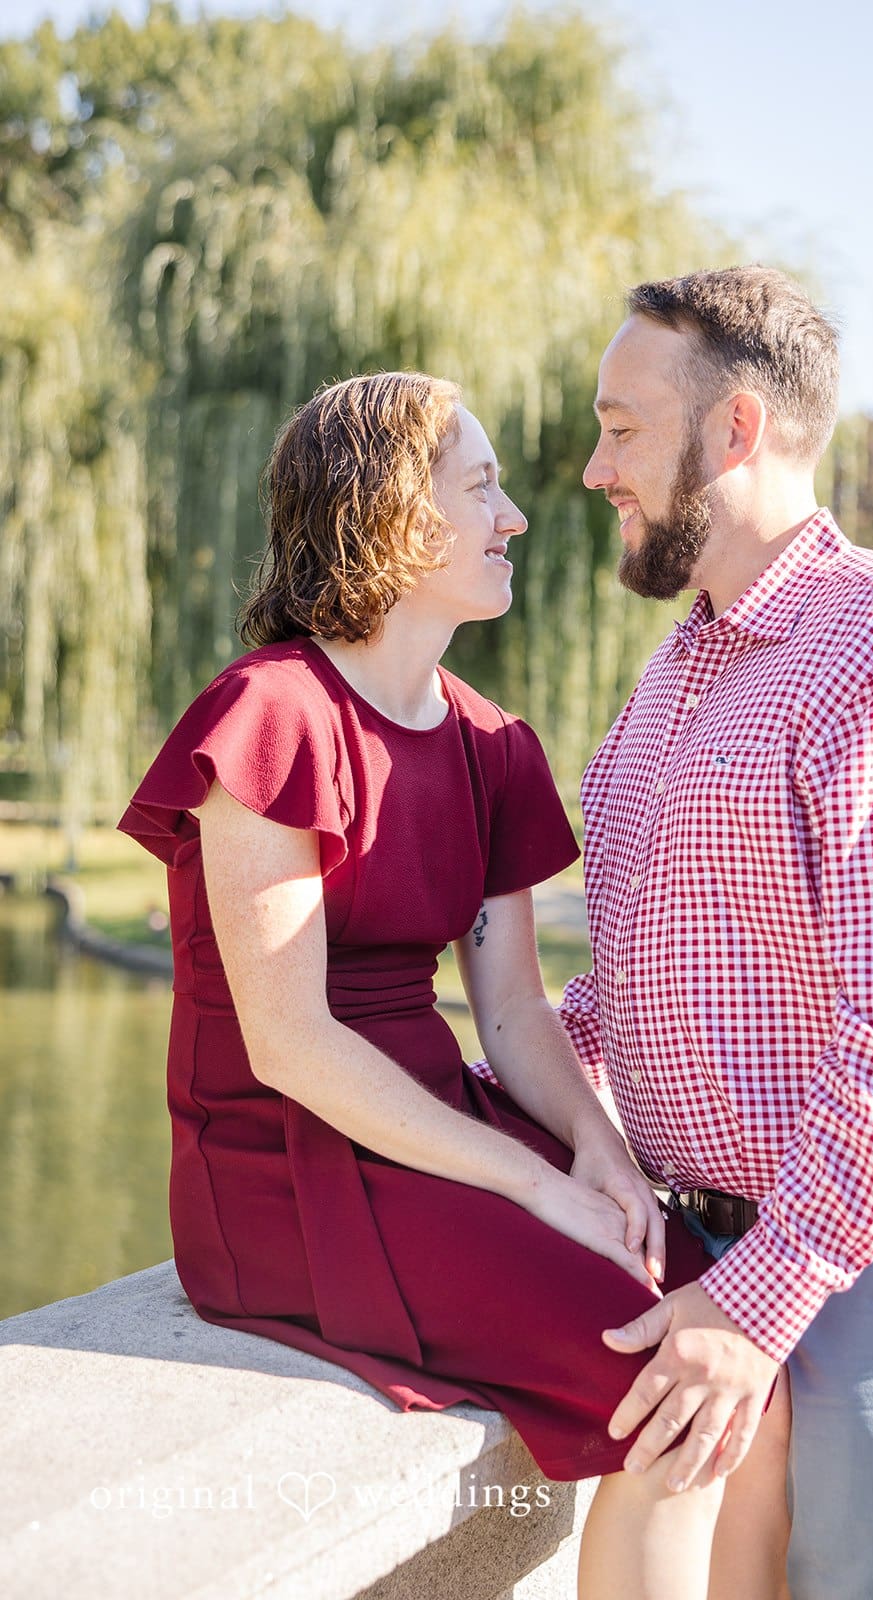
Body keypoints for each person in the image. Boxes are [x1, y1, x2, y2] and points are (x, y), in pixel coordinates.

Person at [117, 371, 791, 1600]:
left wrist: (601, 1158)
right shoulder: (269, 714)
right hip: (288, 1160)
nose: (515, 517)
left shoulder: (490, 743)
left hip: (431, 1123)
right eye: (480, 487)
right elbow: (289, 1043)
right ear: (389, 516)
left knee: (733, 1346)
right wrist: (538, 1188)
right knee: (660, 1392)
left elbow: (518, 1015)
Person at [560, 264, 873, 1600]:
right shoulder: (672, 673)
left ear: (731, 433)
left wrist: (747, 1303)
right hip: (724, 1249)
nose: (591, 467)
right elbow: (619, 990)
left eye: (619, 426)